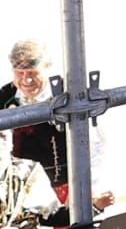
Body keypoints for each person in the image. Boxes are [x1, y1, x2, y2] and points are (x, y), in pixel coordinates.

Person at [4, 39, 114, 212]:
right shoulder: (5, 97)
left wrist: (85, 186)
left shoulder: (70, 94)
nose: (27, 80)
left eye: (33, 73)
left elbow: (97, 143)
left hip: (72, 182)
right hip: (24, 190)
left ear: (47, 67)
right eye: (20, 73)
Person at [0, 128, 62, 229]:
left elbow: (48, 215)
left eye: (2, 136)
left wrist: (95, 206)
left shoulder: (29, 169)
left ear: (11, 142)